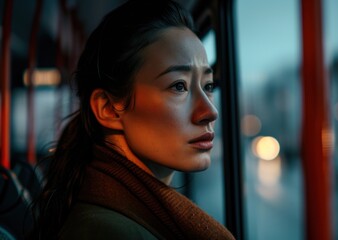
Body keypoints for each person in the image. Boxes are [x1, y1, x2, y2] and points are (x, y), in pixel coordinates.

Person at [31, 0, 235, 239]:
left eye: (208, 85)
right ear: (108, 108)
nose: (210, 112)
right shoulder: (105, 232)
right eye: (179, 86)